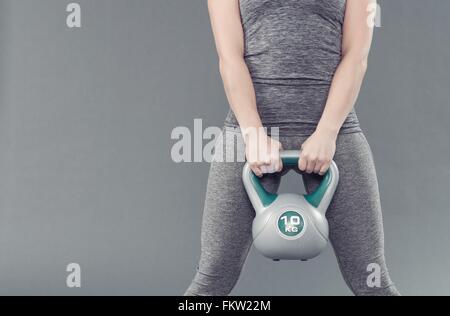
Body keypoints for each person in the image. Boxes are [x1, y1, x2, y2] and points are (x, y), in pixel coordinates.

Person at [185, 0, 400, 296]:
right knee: (212, 278)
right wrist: (253, 133)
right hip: (250, 131)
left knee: (373, 280)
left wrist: (327, 132)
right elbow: (230, 57)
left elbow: (356, 57)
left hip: (334, 131)